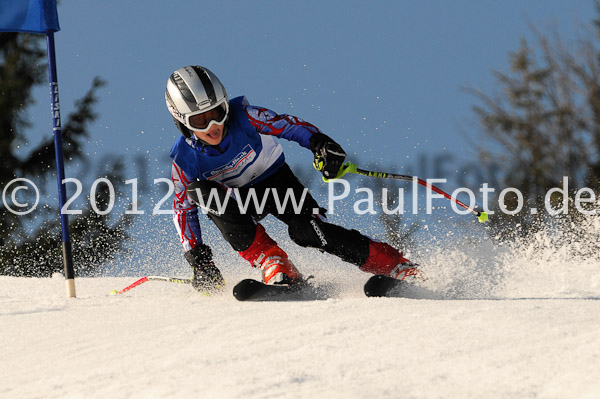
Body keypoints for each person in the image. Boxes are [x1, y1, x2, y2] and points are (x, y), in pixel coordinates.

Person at [165, 65, 419, 292]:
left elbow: (286, 125)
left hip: (277, 182)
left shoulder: (246, 116)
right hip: (238, 200)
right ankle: (273, 261)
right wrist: (198, 260)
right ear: (182, 122)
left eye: (218, 112)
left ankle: (394, 264)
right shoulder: (184, 159)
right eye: (199, 120)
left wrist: (320, 144)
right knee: (200, 192)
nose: (212, 126)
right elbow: (182, 210)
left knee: (307, 231)